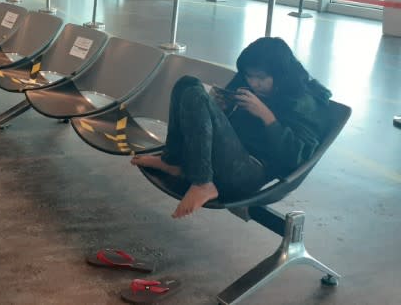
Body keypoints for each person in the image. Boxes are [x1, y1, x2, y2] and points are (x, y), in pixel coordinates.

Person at [132, 37, 332, 219]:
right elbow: (232, 130)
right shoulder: (249, 83)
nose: (254, 83)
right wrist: (222, 109)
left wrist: (266, 116)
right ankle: (173, 161)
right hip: (226, 157)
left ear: (280, 75)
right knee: (188, 84)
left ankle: (203, 183)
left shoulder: (303, 102)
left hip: (250, 172)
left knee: (195, 95)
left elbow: (296, 158)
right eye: (249, 76)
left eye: (260, 78)